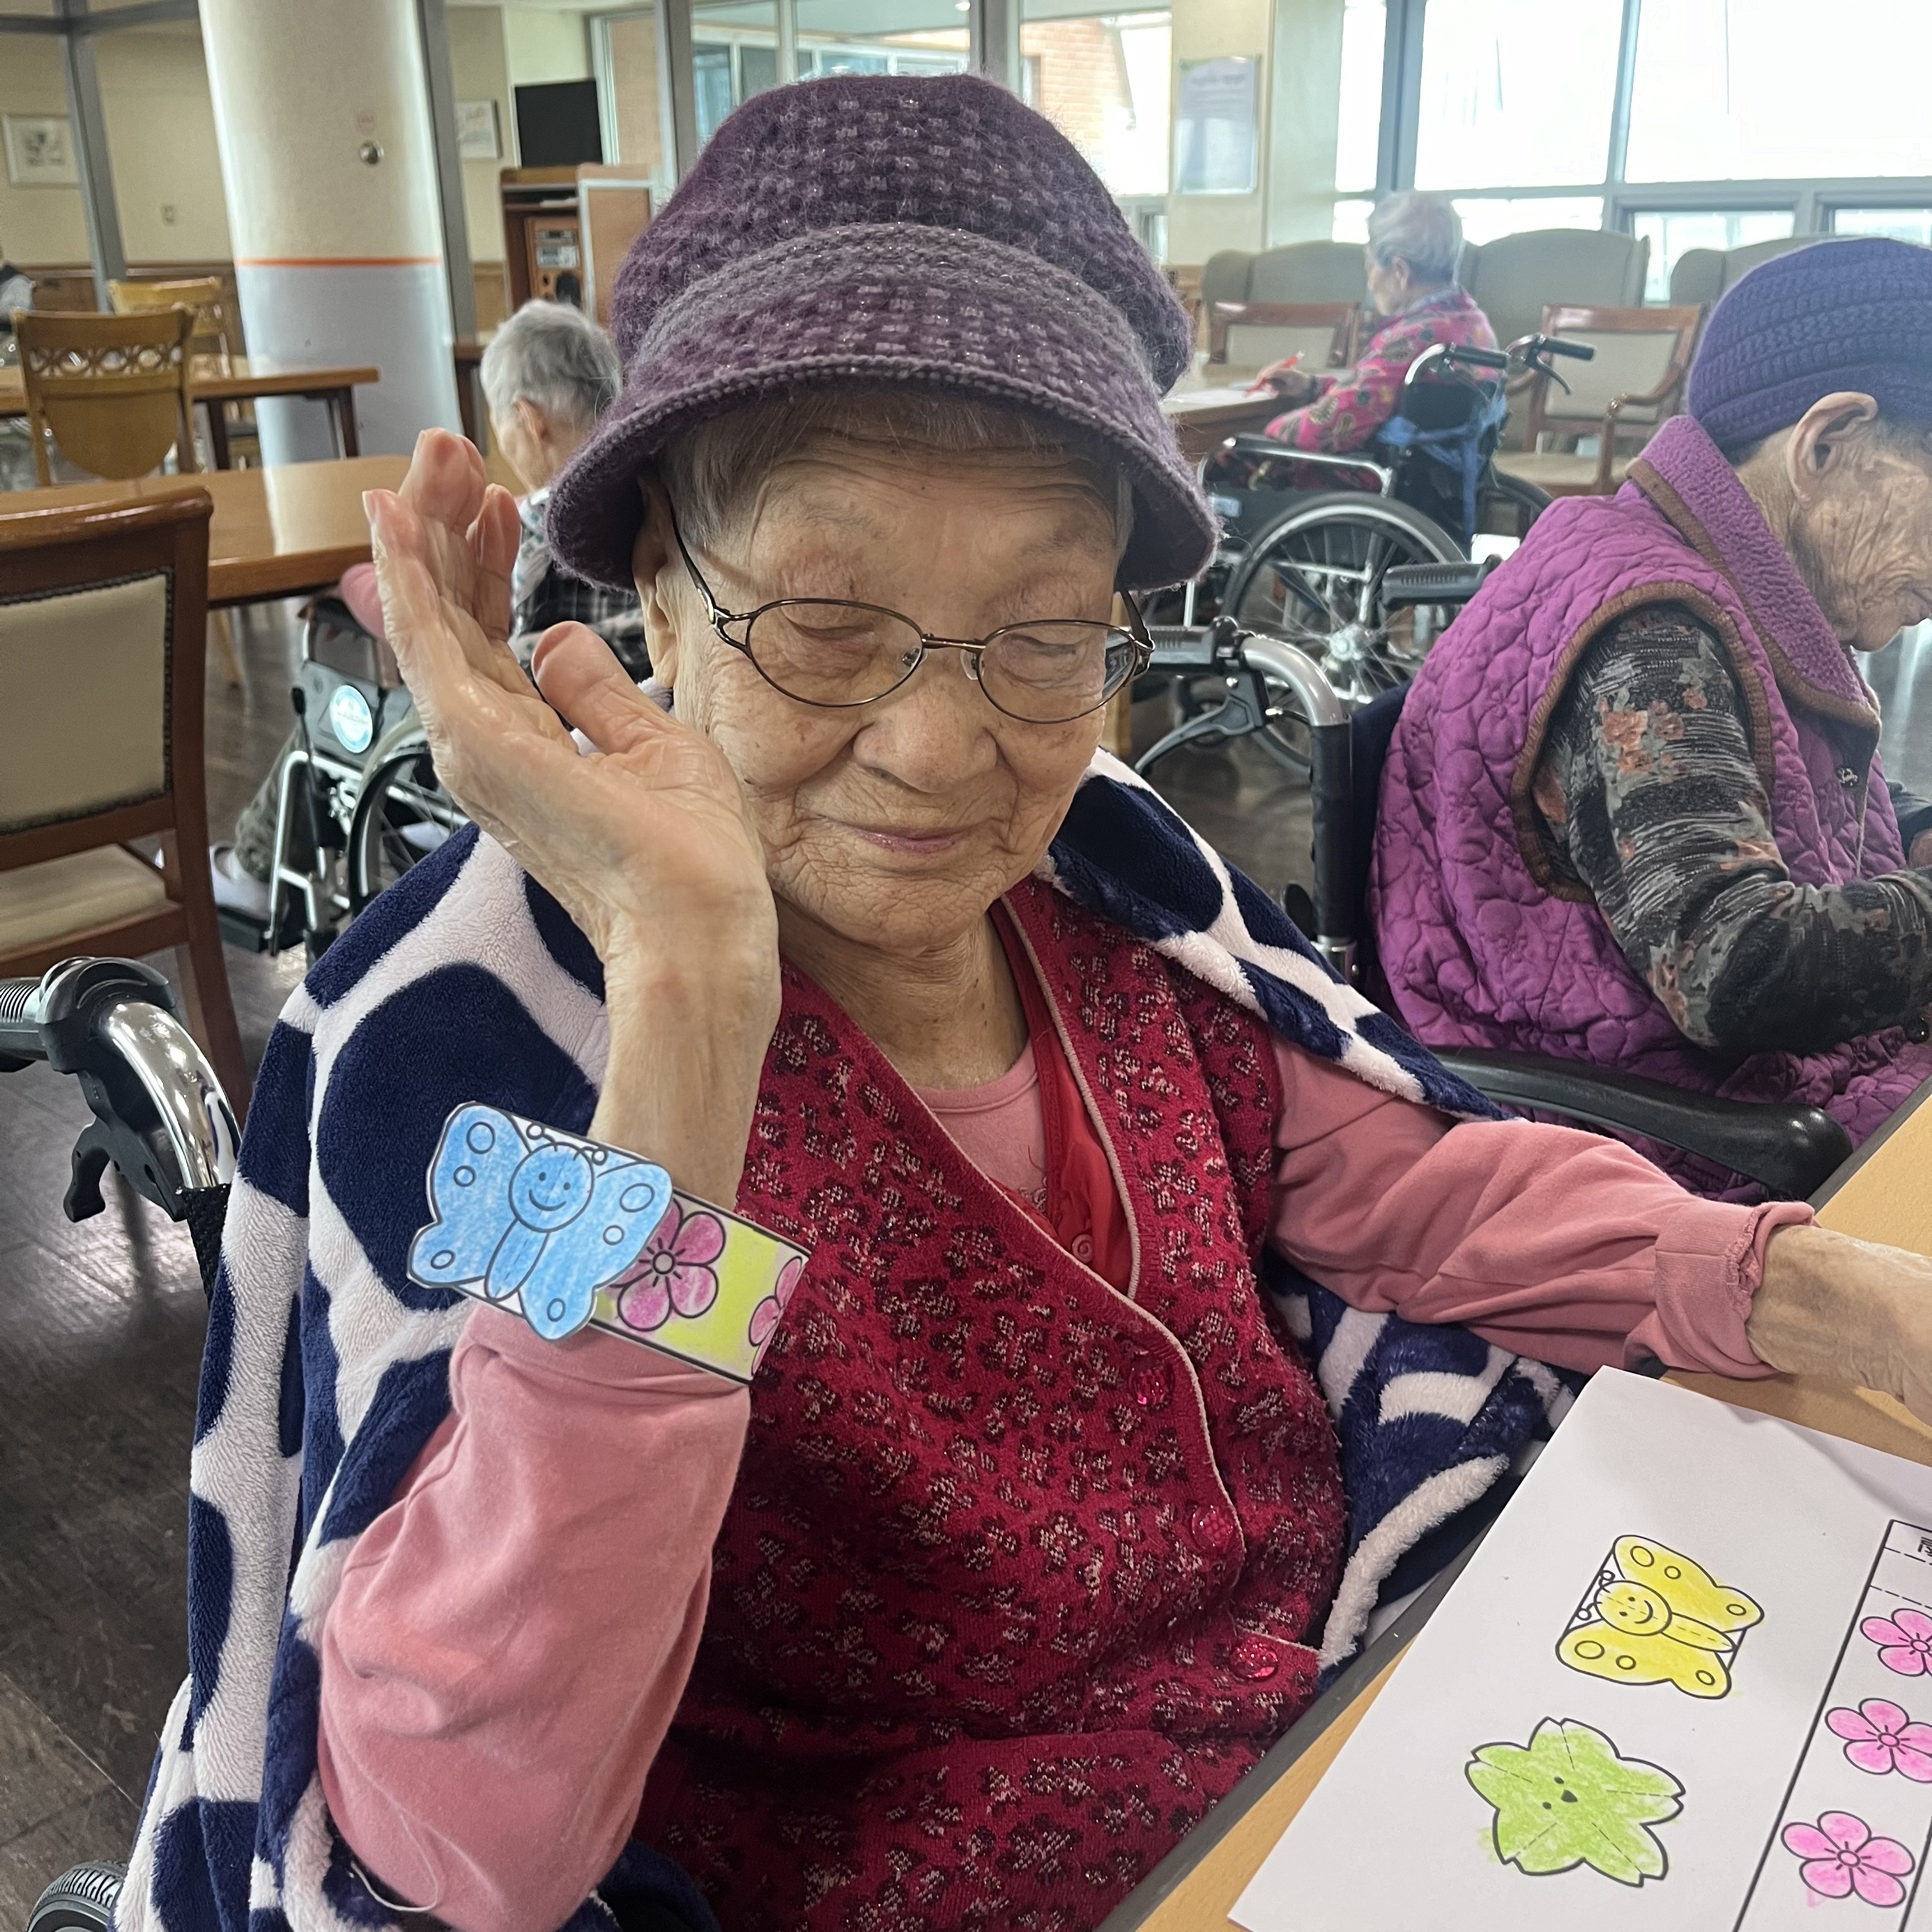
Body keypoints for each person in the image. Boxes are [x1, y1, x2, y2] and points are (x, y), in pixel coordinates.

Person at [123, 82, 1932, 1932]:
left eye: (1047, 634)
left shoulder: (1109, 885)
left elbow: (1412, 1187)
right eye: (824, 627)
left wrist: (1827, 1293)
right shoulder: (504, 1038)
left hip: (1309, 1740)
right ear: (655, 589)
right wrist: (686, 1000)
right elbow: (459, 1848)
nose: (936, 747)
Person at [1371, 236, 1932, 1198]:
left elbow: (1781, 797)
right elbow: (1734, 966)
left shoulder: (1723, 571)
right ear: (1827, 442)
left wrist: (1911, 830)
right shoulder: (1652, 631)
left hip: (1732, 1093)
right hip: (1639, 1153)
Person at [211, 298, 647, 914]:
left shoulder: (535, 522)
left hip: (510, 739)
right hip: (621, 726)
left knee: (332, 708)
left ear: (529, 420)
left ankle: (256, 866)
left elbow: (427, 613)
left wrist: (354, 581)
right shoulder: (645, 503)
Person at [1243, 191, 1496, 459]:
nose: (1371, 284)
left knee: (1235, 457)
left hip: (1368, 475)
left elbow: (1329, 429)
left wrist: (1258, 431)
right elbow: (1383, 398)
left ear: (1400, 271)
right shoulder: (1474, 324)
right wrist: (1313, 387)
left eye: (1370, 266)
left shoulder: (1414, 339)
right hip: (1446, 473)